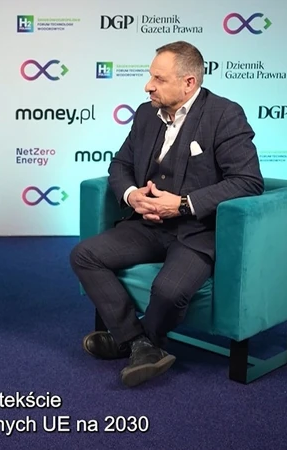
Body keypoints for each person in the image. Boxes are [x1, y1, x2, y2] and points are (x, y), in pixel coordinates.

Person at [70, 41, 264, 387]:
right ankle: (139, 343)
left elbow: (247, 182)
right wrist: (132, 196)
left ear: (189, 82)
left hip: (198, 231)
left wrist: (183, 204)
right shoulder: (147, 114)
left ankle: (134, 341)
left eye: (158, 79)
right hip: (148, 225)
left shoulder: (224, 115)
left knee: (169, 291)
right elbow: (121, 165)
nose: (148, 86)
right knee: (84, 255)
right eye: (150, 77)